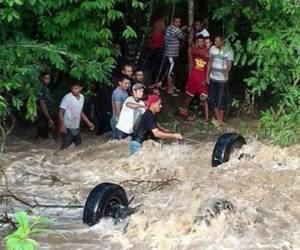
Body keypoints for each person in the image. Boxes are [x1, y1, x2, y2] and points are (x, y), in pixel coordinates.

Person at [179, 35, 210, 122]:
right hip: (193, 77)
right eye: (198, 42)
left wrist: (207, 77)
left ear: (204, 42)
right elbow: (191, 64)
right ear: (197, 42)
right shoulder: (193, 51)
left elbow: (208, 66)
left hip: (201, 79)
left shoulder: (207, 53)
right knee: (188, 97)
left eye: (201, 41)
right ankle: (185, 111)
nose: (200, 43)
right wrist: (189, 74)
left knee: (204, 99)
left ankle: (207, 118)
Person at [207, 35, 234, 126]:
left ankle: (220, 119)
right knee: (213, 98)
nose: (216, 43)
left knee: (221, 99)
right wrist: (207, 76)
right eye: (215, 41)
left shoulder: (228, 50)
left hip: (222, 80)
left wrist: (226, 72)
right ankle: (218, 118)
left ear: (222, 42)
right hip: (213, 78)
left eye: (218, 41)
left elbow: (229, 64)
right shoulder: (212, 49)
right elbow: (210, 62)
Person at [58, 82, 95, 149]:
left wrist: (88, 123)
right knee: (65, 147)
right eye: (73, 88)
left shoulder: (82, 97)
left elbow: (80, 112)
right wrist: (62, 126)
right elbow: (60, 112)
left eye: (76, 88)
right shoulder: (67, 97)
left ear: (81, 88)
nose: (74, 90)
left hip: (76, 125)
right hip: (67, 126)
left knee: (78, 141)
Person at [162, 17, 186, 96]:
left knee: (172, 71)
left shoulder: (169, 27)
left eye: (179, 22)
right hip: (171, 55)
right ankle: (169, 89)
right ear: (173, 22)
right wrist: (185, 31)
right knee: (170, 72)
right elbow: (183, 37)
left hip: (169, 54)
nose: (178, 24)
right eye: (176, 22)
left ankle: (172, 86)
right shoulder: (177, 30)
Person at [110, 75, 130, 139]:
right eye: (125, 83)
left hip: (121, 120)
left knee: (119, 141)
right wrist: (122, 121)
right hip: (117, 120)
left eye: (128, 83)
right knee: (118, 141)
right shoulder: (117, 93)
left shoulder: (124, 91)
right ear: (120, 83)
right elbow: (117, 109)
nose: (127, 85)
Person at [36, 72, 54, 139]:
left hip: (45, 113)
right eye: (46, 78)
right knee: (42, 133)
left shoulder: (45, 88)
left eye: (49, 79)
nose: (47, 80)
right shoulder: (40, 89)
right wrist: (49, 118)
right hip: (41, 114)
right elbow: (42, 104)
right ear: (41, 78)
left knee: (44, 132)